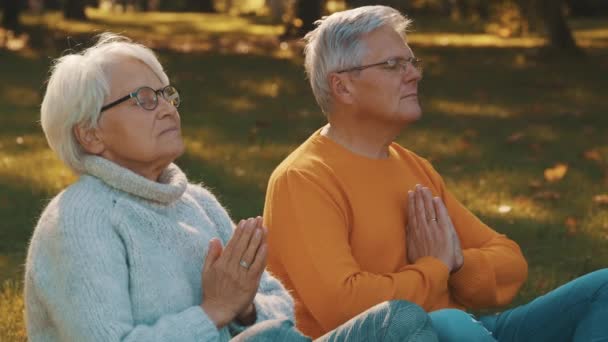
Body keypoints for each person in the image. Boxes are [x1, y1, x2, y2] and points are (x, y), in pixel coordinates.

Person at [24, 33, 438, 342]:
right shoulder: (80, 218)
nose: (167, 107)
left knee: (398, 320)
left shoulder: (197, 202)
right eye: (143, 98)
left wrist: (245, 306)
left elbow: (279, 305)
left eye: (167, 94)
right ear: (90, 135)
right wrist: (214, 311)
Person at [263, 5, 608, 342]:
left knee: (604, 288)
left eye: (411, 62)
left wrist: (456, 263)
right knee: (451, 322)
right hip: (416, 333)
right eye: (392, 65)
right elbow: (344, 306)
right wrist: (433, 269)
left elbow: (509, 261)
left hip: (472, 328)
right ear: (343, 87)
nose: (414, 73)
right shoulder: (304, 179)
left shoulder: (412, 166)